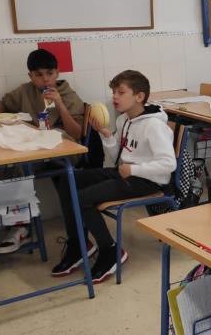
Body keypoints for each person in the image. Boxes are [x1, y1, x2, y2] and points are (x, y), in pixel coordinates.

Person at [51, 70, 176, 283]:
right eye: (114, 92)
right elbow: (117, 156)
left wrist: (134, 170)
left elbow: (168, 164)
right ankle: (78, 244)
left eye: (121, 92)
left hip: (147, 181)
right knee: (68, 181)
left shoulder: (154, 125)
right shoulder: (124, 120)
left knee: (81, 199)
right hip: (125, 173)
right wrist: (108, 136)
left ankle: (110, 251)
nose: (115, 97)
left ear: (139, 96)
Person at [0, 49, 85, 254]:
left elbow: (77, 133)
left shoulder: (68, 95)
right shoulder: (26, 91)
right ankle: (16, 222)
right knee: (7, 165)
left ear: (57, 73)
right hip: (35, 150)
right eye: (38, 75)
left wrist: (59, 104)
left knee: (18, 168)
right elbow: (4, 101)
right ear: (30, 76)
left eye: (49, 73)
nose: (45, 79)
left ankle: (21, 226)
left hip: (65, 152)